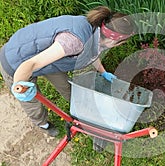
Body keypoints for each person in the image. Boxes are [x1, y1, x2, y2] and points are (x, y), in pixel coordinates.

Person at [0, 6, 135, 150]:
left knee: (68, 88)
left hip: (50, 58)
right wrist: (19, 86)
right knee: (32, 101)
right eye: (123, 43)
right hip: (17, 62)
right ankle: (42, 123)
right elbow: (31, 63)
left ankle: (83, 115)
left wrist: (103, 72)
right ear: (116, 41)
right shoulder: (74, 41)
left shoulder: (98, 32)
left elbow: (93, 53)